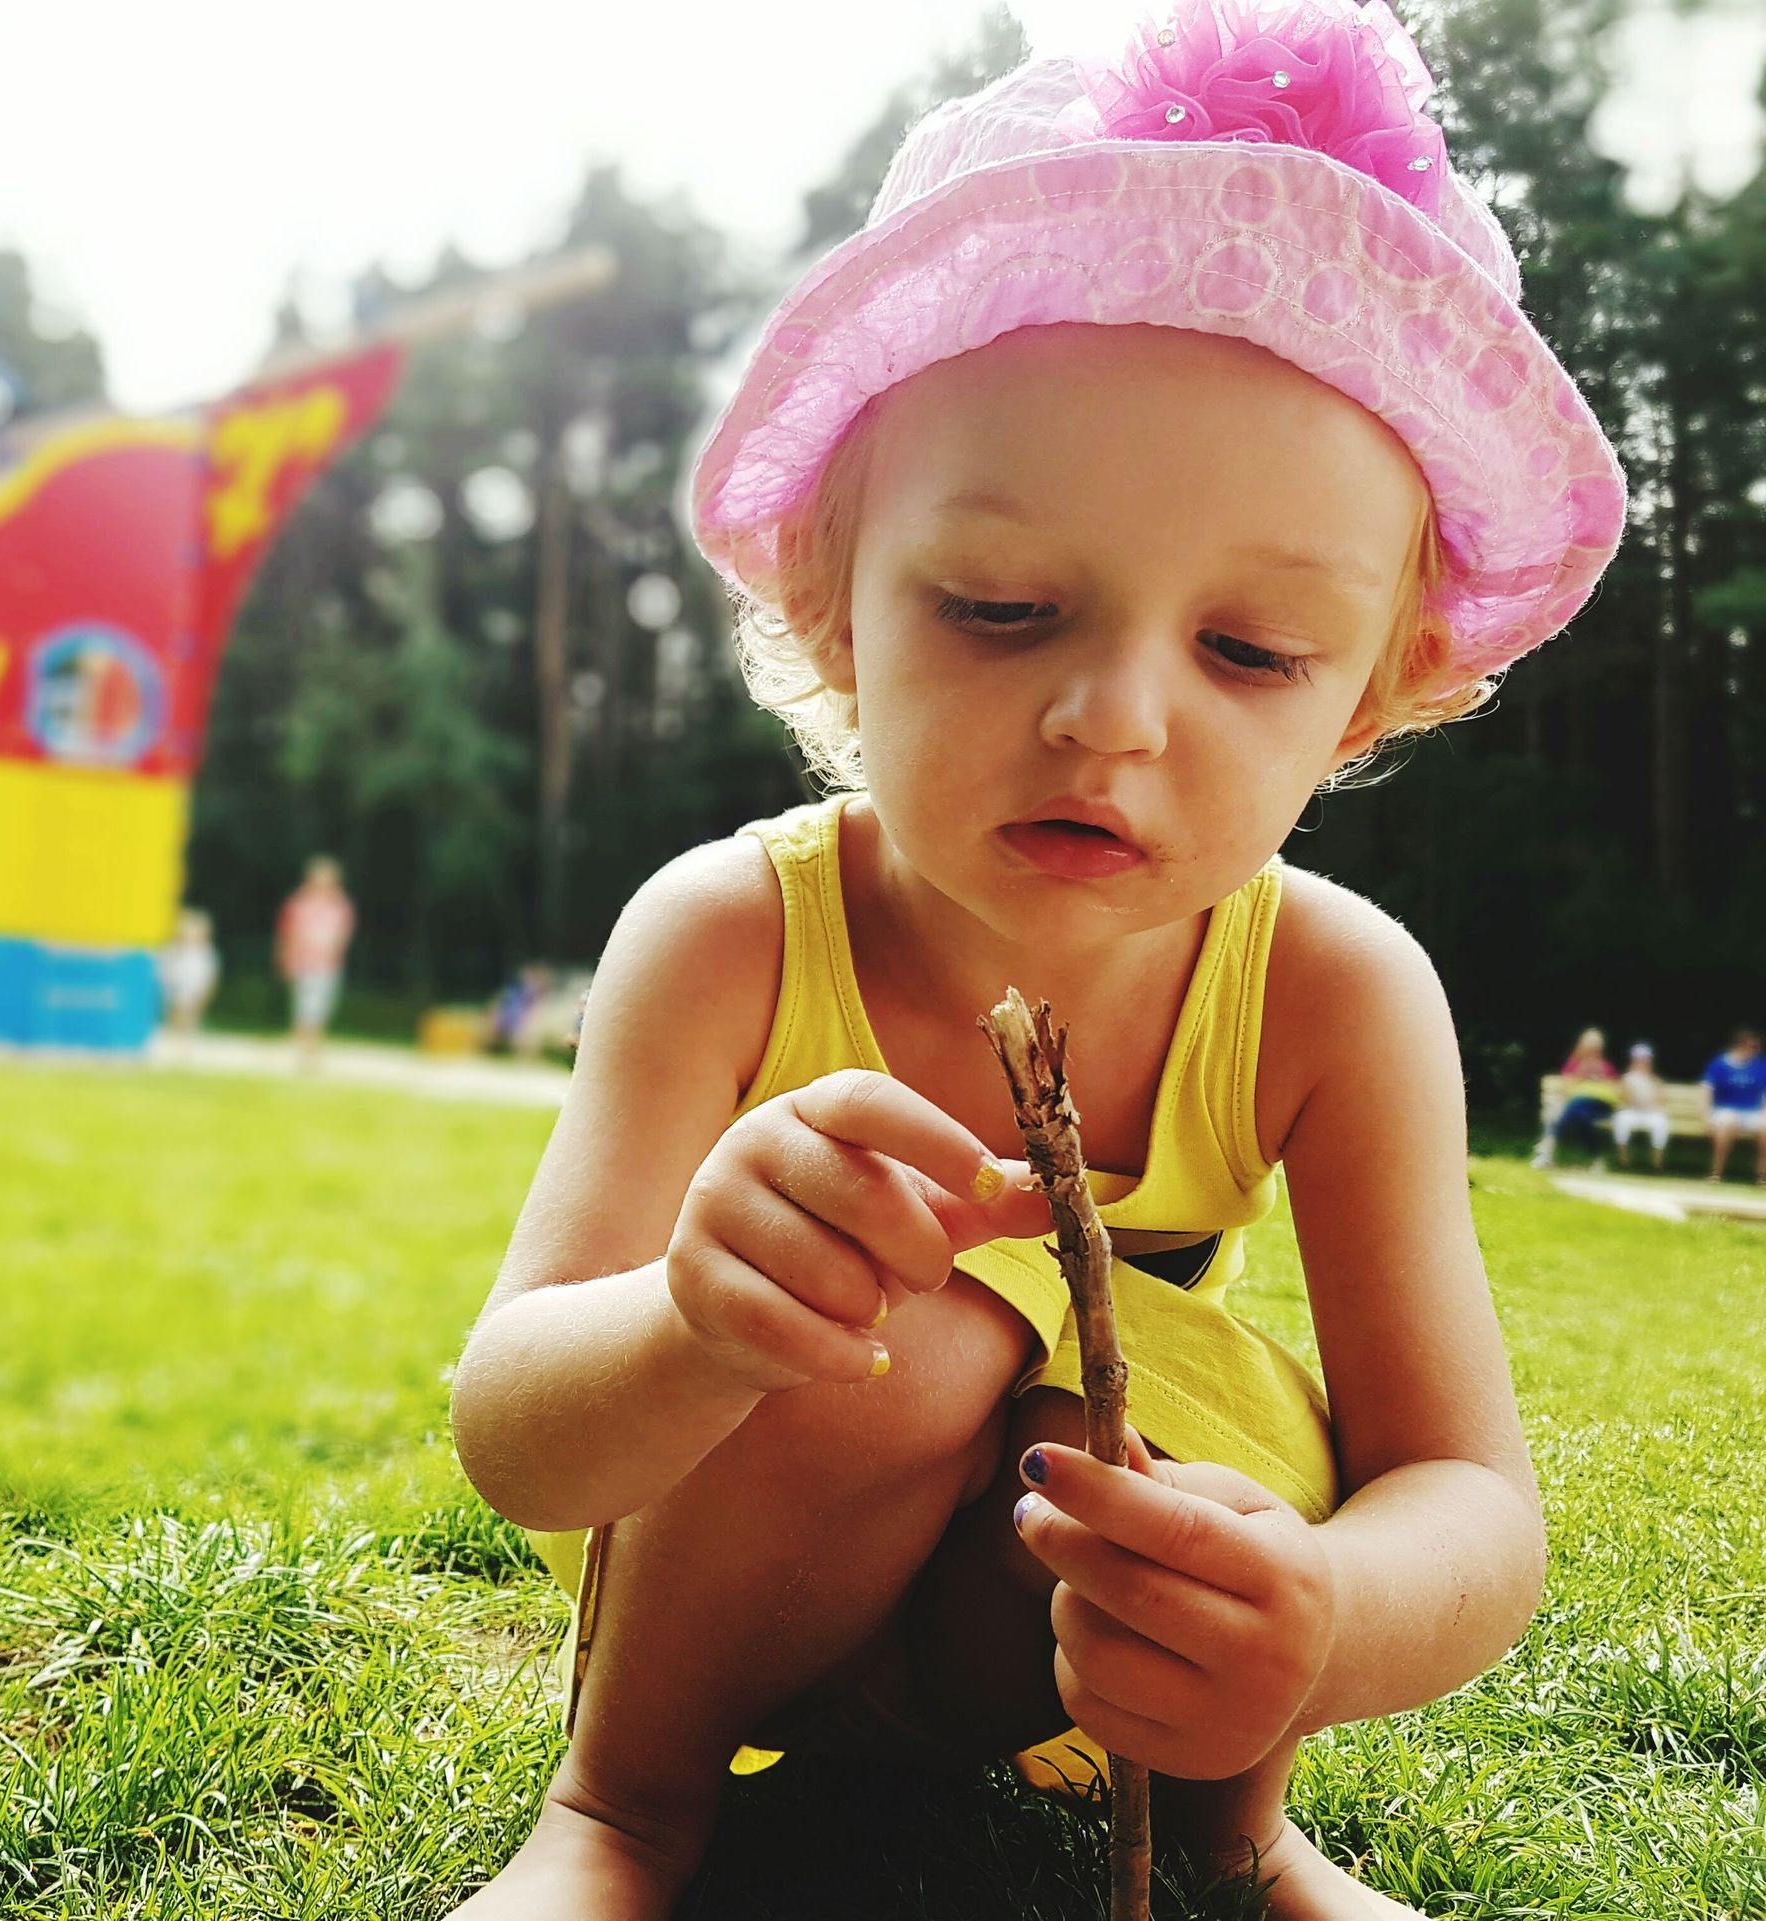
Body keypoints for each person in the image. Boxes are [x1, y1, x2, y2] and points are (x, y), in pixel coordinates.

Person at [446, 6, 1625, 1916]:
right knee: (901, 1339)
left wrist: (1315, 1611)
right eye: (1000, 608)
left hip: (1059, 1656)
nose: (1110, 719)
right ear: (834, 605)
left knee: (1156, 1421)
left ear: (1373, 702)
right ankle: (620, 1812)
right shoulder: (730, 931)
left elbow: (1472, 1506)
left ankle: (1253, 1841)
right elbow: (515, 1427)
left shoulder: (1335, 994)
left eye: (1251, 652)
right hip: (742, 1592)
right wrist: (691, 1317)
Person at [276, 857, 355, 1070]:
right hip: (304, 963)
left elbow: (343, 934)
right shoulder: (298, 903)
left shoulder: (340, 906)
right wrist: (287, 958)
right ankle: (304, 1052)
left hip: (328, 965)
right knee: (306, 1008)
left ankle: (311, 1049)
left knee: (320, 1009)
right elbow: (287, 933)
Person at [1527, 1027, 1620, 1171]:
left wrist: (1601, 1078)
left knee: (1577, 1104)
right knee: (1580, 1115)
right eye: (1589, 1049)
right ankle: (1597, 1159)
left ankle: (1547, 1147)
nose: (1592, 1053)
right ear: (1582, 1047)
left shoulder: (1606, 1066)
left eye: (1595, 1050)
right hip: (1578, 1108)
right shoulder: (1574, 1064)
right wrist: (1580, 1074)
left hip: (1599, 1106)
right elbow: (1565, 1089)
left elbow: (1614, 1090)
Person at [1700, 1027, 1766, 1184]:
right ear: (1740, 1046)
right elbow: (1706, 1091)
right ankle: (1716, 1172)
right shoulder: (1719, 1064)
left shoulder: (1761, 1066)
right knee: (1729, 1122)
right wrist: (1706, 1117)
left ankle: (1762, 1176)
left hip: (1752, 1112)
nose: (1756, 1051)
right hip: (1725, 1110)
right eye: (1753, 1047)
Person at [155, 907, 221, 1049]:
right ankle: (175, 1039)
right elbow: (166, 968)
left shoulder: (204, 954)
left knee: (189, 1013)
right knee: (177, 1012)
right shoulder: (173, 950)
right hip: (176, 985)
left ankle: (184, 1040)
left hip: (192, 986)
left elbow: (208, 974)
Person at [1612, 1043, 1670, 1173]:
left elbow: (1661, 1098)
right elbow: (1628, 1097)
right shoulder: (1627, 1078)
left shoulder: (1655, 1079)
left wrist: (1650, 1103)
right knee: (1621, 1120)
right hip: (1631, 1111)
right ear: (1633, 1060)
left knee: (1661, 1122)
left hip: (1650, 1112)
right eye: (1639, 1059)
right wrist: (1644, 1102)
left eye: (1646, 1059)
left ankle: (1657, 1164)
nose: (1643, 1062)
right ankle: (1623, 1161)